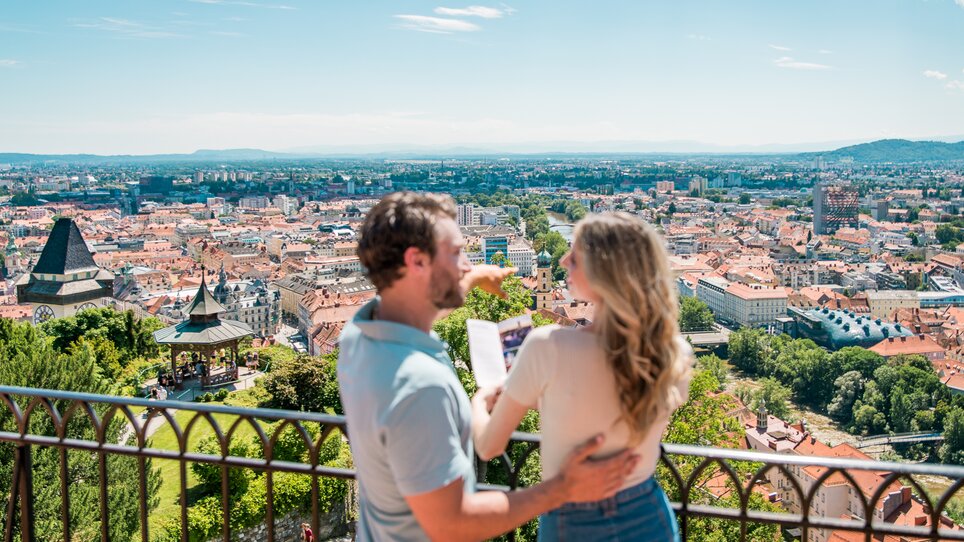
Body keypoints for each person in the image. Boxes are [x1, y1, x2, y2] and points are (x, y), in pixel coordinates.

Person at [338, 193, 640, 542]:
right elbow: (453, 525)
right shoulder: (421, 386)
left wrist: (475, 276)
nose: (467, 263)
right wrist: (561, 488)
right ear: (416, 261)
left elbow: (416, 307)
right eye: (456, 253)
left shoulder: (360, 334)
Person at [472, 212, 694, 542]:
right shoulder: (673, 352)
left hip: (572, 520)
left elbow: (489, 446)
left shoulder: (549, 346)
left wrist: (480, 400)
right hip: (649, 515)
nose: (562, 260)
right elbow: (609, 407)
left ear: (603, 270)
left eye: (574, 255)